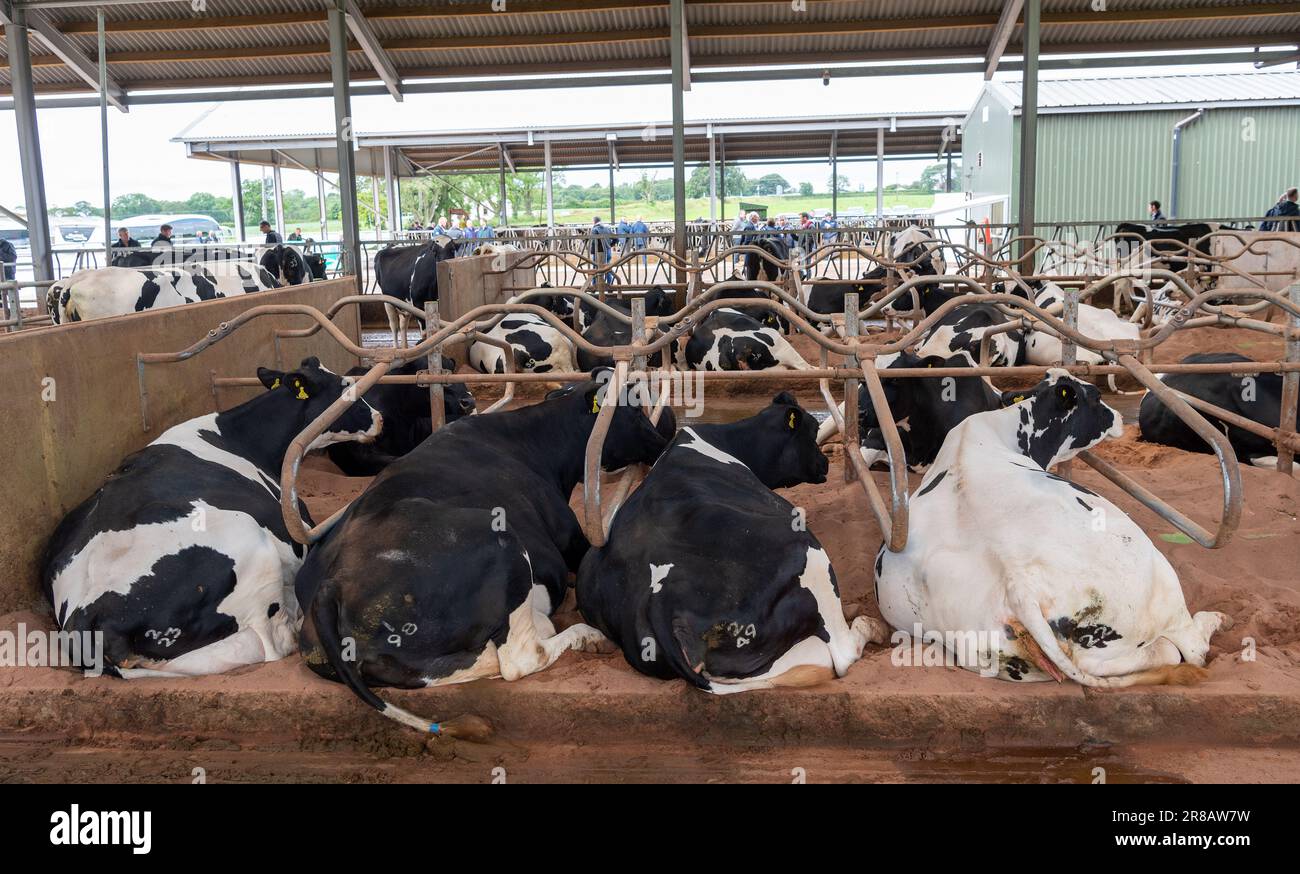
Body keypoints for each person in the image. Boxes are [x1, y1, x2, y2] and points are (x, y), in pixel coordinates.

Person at [589, 216, 615, 285]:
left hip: (598, 252)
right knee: (607, 268)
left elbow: (593, 243)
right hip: (608, 251)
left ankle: (594, 285)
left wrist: (592, 252)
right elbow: (616, 238)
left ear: (594, 221)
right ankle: (610, 285)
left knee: (596, 268)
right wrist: (610, 245)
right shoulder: (607, 228)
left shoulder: (594, 229)